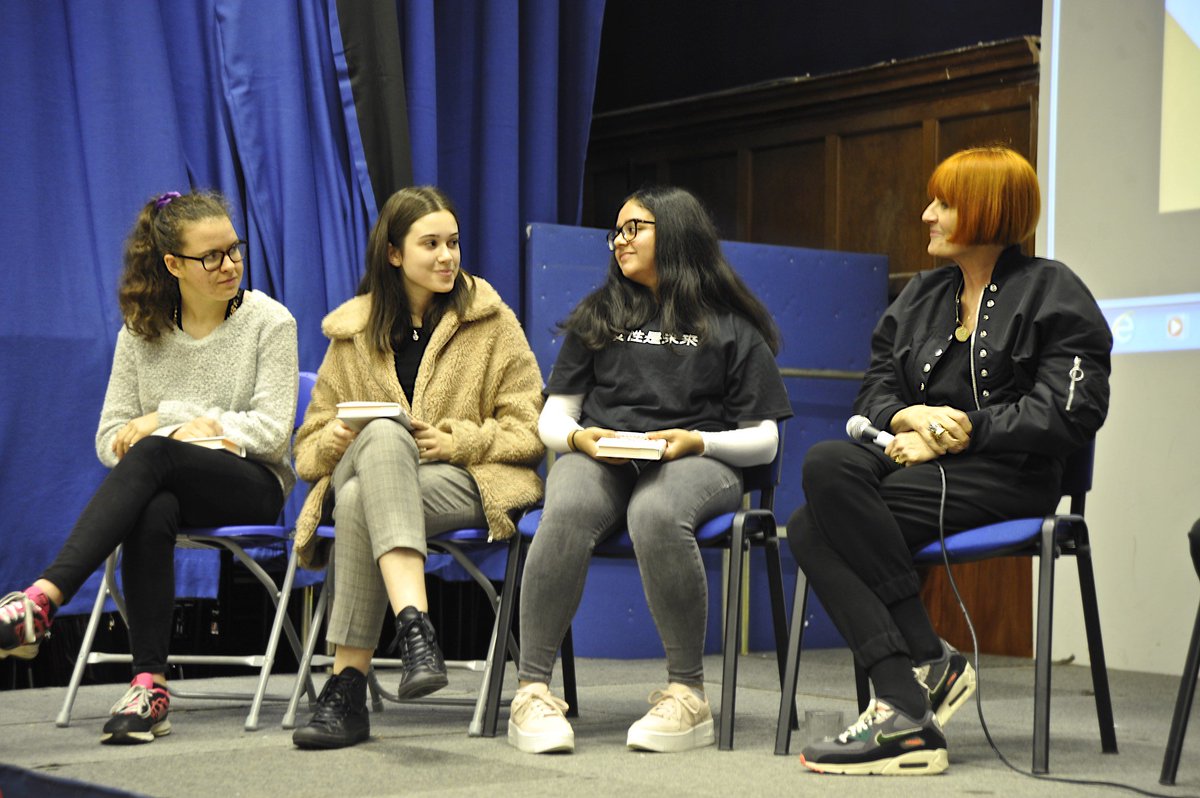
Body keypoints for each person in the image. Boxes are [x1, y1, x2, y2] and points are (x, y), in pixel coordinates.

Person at [787, 146, 1113, 775]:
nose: (926, 214)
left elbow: (1071, 412)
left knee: (809, 527)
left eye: (943, 203)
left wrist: (963, 433)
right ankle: (919, 673)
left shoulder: (1054, 290)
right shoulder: (920, 297)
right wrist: (906, 417)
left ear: (987, 210)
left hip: (1007, 477)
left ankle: (906, 694)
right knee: (828, 464)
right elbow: (876, 391)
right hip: (913, 468)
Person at [0, 190, 299, 745]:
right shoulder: (140, 333)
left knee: (154, 453)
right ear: (173, 265)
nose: (229, 264)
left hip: (252, 483)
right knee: (152, 503)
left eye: (234, 250)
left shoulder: (269, 322)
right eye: (211, 256)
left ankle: (41, 600)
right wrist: (168, 436)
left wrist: (169, 418)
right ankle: (150, 686)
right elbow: (109, 437)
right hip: (166, 482)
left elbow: (271, 431)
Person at [507, 186, 792, 755]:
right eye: (616, 231)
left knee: (657, 511)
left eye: (634, 227)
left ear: (677, 230)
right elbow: (554, 418)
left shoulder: (731, 326)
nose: (620, 240)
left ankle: (687, 695)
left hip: (696, 458)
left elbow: (765, 439)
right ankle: (533, 692)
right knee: (563, 507)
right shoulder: (600, 313)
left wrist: (697, 442)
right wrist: (581, 438)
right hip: (605, 453)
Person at [290, 186, 544, 750]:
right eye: (430, 244)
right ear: (394, 254)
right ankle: (415, 629)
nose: (447, 256)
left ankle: (346, 688)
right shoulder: (352, 333)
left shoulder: (492, 321)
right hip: (375, 469)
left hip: (467, 478)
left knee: (358, 500)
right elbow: (305, 451)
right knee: (380, 434)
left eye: (453, 242)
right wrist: (331, 439)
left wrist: (455, 440)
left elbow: (530, 428)